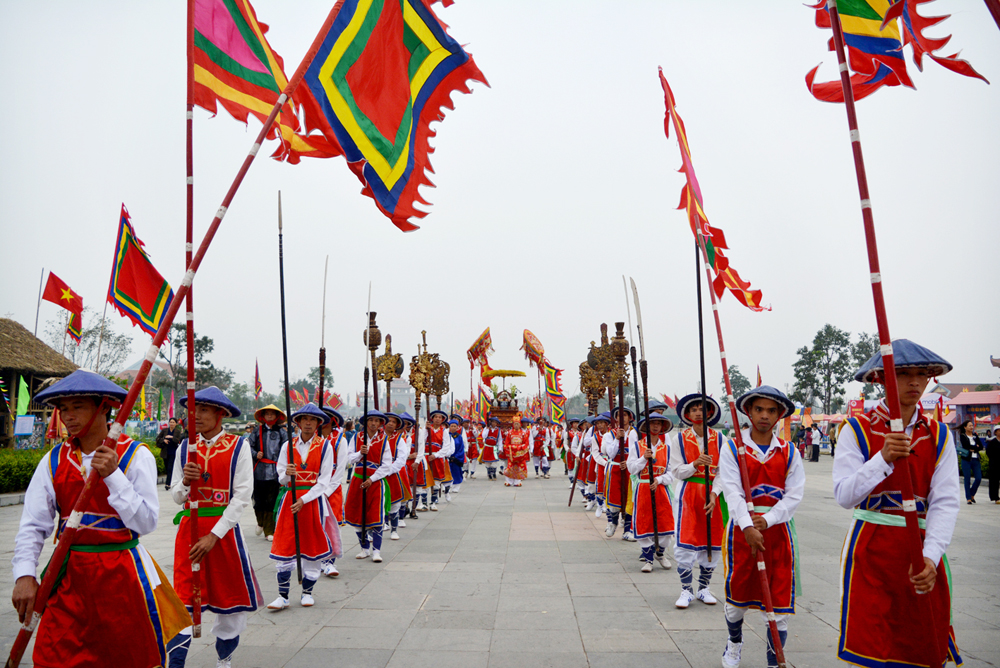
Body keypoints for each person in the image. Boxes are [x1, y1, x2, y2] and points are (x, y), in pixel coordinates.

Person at [13, 370, 189, 668]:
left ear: (104, 407)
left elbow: (146, 523)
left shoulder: (135, 455)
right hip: (67, 577)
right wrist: (24, 575)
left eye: (77, 407)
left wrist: (114, 476)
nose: (68, 416)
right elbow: (33, 523)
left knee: (125, 658)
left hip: (120, 578)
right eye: (63, 409)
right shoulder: (53, 460)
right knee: (52, 657)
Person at [833, 340, 962, 667]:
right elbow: (844, 496)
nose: (915, 382)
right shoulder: (857, 429)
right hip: (870, 546)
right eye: (903, 374)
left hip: (918, 551)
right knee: (872, 646)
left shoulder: (940, 436)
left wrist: (931, 557)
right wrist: (883, 459)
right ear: (881, 379)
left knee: (921, 642)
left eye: (922, 374)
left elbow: (946, 502)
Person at [171, 386, 262, 668]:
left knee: (229, 602)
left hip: (224, 535)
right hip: (189, 530)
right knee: (181, 600)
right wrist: (186, 482)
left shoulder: (239, 446)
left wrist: (214, 535)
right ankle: (176, 663)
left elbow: (243, 495)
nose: (195, 415)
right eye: (193, 410)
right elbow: (175, 496)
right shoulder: (184, 447)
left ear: (220, 414)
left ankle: (225, 659)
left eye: (204, 410)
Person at [718, 385, 803, 668]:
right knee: (737, 598)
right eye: (759, 409)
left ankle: (773, 661)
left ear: (779, 415)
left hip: (778, 532)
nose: (764, 415)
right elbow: (732, 491)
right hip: (741, 532)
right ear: (748, 412)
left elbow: (794, 495)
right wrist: (748, 526)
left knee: (777, 605)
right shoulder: (732, 448)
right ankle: (734, 642)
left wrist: (767, 520)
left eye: (771, 410)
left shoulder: (790, 451)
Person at [267, 403, 339, 609]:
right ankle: (283, 596)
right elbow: (280, 479)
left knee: (311, 545)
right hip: (290, 500)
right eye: (304, 419)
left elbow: (324, 481)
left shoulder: (325, 447)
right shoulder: (287, 446)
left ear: (318, 423)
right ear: (297, 422)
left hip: (312, 502)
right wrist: (286, 474)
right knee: (285, 544)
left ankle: (307, 592)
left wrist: (304, 499)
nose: (308, 423)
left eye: (312, 419)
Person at [670, 393, 725, 608]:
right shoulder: (679, 439)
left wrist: (715, 493)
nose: (698, 413)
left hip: (712, 494)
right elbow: (676, 470)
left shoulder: (721, 439)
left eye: (702, 409)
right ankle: (686, 590)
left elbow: (723, 471)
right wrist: (695, 463)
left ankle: (704, 588)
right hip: (688, 493)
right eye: (694, 410)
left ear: (709, 412)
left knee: (710, 540)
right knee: (686, 539)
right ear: (687, 414)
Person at [628, 413, 676, 573]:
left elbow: (671, 473)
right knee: (644, 521)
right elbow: (631, 469)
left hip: (661, 490)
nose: (655, 426)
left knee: (665, 522)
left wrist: (660, 480)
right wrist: (643, 458)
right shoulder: (637, 446)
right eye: (652, 423)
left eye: (658, 424)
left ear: (662, 428)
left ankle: (660, 554)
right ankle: (648, 559)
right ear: (646, 427)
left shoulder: (667, 449)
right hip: (642, 489)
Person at [345, 411, 395, 562]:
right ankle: (364, 548)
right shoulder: (357, 437)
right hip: (358, 481)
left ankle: (376, 551)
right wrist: (360, 453)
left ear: (380, 424)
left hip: (375, 482)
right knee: (357, 515)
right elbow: (348, 459)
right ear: (365, 423)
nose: (373, 423)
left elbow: (386, 465)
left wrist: (372, 479)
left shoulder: (384, 440)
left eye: (376, 421)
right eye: (370, 420)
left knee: (376, 516)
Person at [247, 404, 288, 540]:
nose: (270, 416)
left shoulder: (282, 432)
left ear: (277, 417)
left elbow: (288, 449)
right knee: (258, 499)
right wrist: (254, 454)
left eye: (272, 414)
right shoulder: (256, 431)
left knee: (272, 501)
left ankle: (269, 531)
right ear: (263, 417)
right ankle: (260, 522)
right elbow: (249, 446)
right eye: (267, 414)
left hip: (275, 470)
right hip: (259, 470)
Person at [320, 406, 349, 577]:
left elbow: (340, 470)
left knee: (331, 526)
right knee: (314, 526)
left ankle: (330, 562)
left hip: (331, 489)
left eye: (325, 419)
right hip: (311, 488)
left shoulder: (340, 440)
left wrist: (325, 491)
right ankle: (315, 558)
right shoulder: (312, 439)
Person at [603, 407, 638, 541]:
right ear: (616, 418)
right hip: (615, 470)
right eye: (619, 415)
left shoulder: (635, 433)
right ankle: (613, 522)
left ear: (630, 417)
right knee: (614, 498)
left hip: (630, 470)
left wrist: (629, 462)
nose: (622, 418)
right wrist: (617, 439)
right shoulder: (609, 435)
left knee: (630, 498)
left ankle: (628, 530)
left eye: (625, 415)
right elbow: (610, 454)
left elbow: (637, 451)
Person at [416, 410, 454, 510]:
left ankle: (433, 502)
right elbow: (421, 441)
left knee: (436, 481)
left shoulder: (444, 431)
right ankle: (424, 503)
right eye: (435, 417)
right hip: (426, 457)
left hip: (437, 458)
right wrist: (425, 429)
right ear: (432, 419)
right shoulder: (427, 429)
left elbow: (446, 447)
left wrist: (436, 455)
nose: (437, 419)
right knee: (426, 480)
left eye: (439, 417)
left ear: (442, 420)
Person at [383, 413, 412, 539]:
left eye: (393, 422)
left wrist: (389, 470)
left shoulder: (399, 439)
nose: (390, 423)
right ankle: (380, 525)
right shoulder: (376, 437)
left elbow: (402, 458)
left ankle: (394, 530)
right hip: (377, 474)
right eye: (388, 421)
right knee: (379, 500)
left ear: (397, 425)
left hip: (393, 473)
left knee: (395, 502)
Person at [955, 419, 984, 504]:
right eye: (969, 426)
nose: (971, 427)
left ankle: (972, 493)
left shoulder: (975, 435)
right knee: (967, 479)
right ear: (965, 427)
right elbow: (966, 446)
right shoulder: (963, 436)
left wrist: (973, 448)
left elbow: (981, 447)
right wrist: (976, 446)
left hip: (976, 459)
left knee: (978, 478)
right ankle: (968, 498)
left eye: (972, 425)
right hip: (966, 460)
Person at [504, 418, 532, 486]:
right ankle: (509, 481)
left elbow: (526, 443)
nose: (516, 425)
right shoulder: (509, 433)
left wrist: (520, 447)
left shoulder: (523, 433)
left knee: (519, 467)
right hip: (512, 453)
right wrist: (510, 448)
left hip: (519, 453)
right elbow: (506, 443)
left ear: (520, 425)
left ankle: (517, 481)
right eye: (515, 424)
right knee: (510, 467)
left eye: (517, 424)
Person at [157, 417, 182, 490]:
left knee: (170, 468)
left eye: (173, 422)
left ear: (176, 424)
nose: (172, 423)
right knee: (167, 467)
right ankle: (170, 481)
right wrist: (164, 440)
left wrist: (171, 437)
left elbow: (178, 440)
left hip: (173, 452)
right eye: (171, 422)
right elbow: (158, 439)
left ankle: (168, 484)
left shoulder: (177, 431)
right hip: (165, 452)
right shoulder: (164, 430)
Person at [446, 418, 466, 499]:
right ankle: (448, 486)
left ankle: (456, 487)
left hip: (456, 458)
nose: (453, 428)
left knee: (457, 472)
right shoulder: (447, 436)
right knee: (448, 472)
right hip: (448, 457)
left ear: (457, 427)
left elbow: (461, 448)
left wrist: (456, 457)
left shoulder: (459, 437)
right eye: (452, 426)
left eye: (455, 426)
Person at [481, 416, 505, 480]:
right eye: (493, 422)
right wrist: (487, 429)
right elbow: (484, 436)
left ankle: (494, 473)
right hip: (487, 447)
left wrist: (500, 449)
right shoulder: (486, 429)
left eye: (495, 422)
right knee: (488, 462)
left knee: (494, 462)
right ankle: (489, 474)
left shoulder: (498, 430)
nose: (494, 423)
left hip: (494, 448)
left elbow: (500, 440)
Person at [987, 425, 1000, 504]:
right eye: (998, 430)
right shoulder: (992, 442)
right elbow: (988, 453)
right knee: (994, 481)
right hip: (994, 465)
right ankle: (995, 497)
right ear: (995, 432)